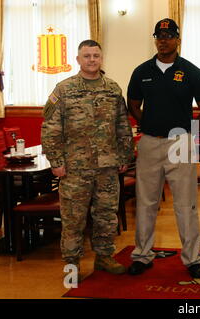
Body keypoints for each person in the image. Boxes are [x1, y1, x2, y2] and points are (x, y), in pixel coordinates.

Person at [126, 18, 200, 278]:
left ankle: (193, 258)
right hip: (150, 143)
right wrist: (149, 124)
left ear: (177, 39)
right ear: (155, 39)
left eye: (168, 35)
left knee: (186, 204)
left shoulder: (191, 71)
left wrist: (191, 134)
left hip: (181, 142)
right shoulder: (142, 71)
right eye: (159, 35)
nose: (163, 40)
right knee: (146, 202)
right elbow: (132, 104)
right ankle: (142, 254)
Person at [41, 40, 134, 280]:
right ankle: (71, 265)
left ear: (101, 58)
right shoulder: (64, 89)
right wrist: (56, 161)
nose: (91, 60)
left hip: (107, 167)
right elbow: (50, 128)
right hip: (74, 169)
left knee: (106, 215)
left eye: (95, 55)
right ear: (78, 59)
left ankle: (104, 257)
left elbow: (122, 125)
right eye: (87, 56)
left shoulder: (113, 89)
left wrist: (124, 155)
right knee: (73, 219)